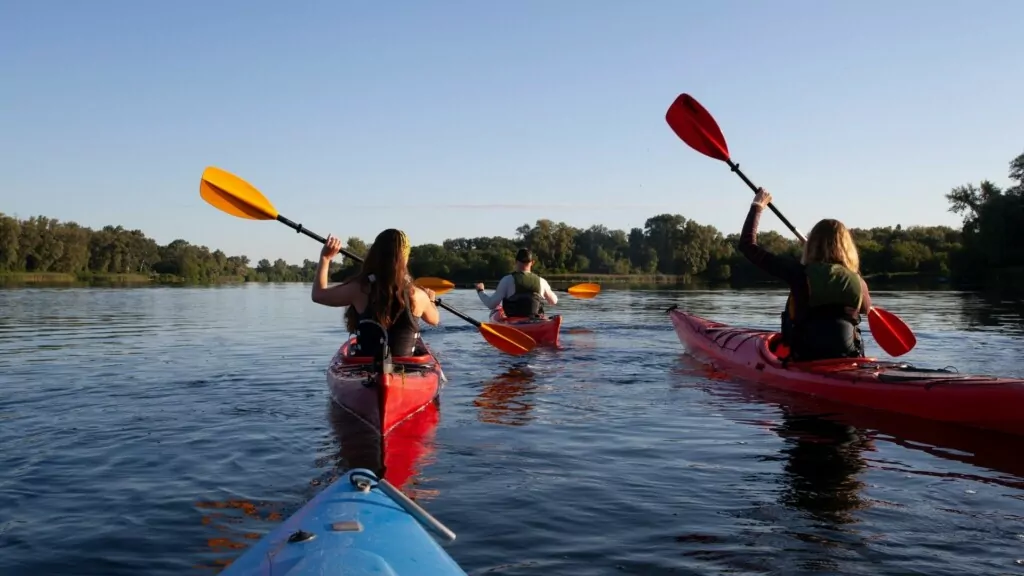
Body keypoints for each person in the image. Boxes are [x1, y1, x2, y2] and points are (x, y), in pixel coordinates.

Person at [739, 188, 873, 361]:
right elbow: (866, 309)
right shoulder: (858, 282)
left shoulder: (798, 273)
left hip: (806, 356)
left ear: (812, 244)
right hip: (848, 356)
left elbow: (747, 245)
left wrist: (757, 206)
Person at [311, 229, 439, 357]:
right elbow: (435, 320)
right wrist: (431, 300)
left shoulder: (359, 290)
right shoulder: (418, 295)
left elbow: (318, 295)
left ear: (375, 254)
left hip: (365, 368)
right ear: (405, 258)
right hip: (406, 370)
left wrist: (325, 258)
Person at [475, 248, 558, 319]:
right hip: (535, 322)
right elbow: (554, 301)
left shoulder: (507, 280)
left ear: (516, 261)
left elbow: (491, 304)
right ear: (532, 262)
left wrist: (480, 291)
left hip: (513, 323)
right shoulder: (541, 281)